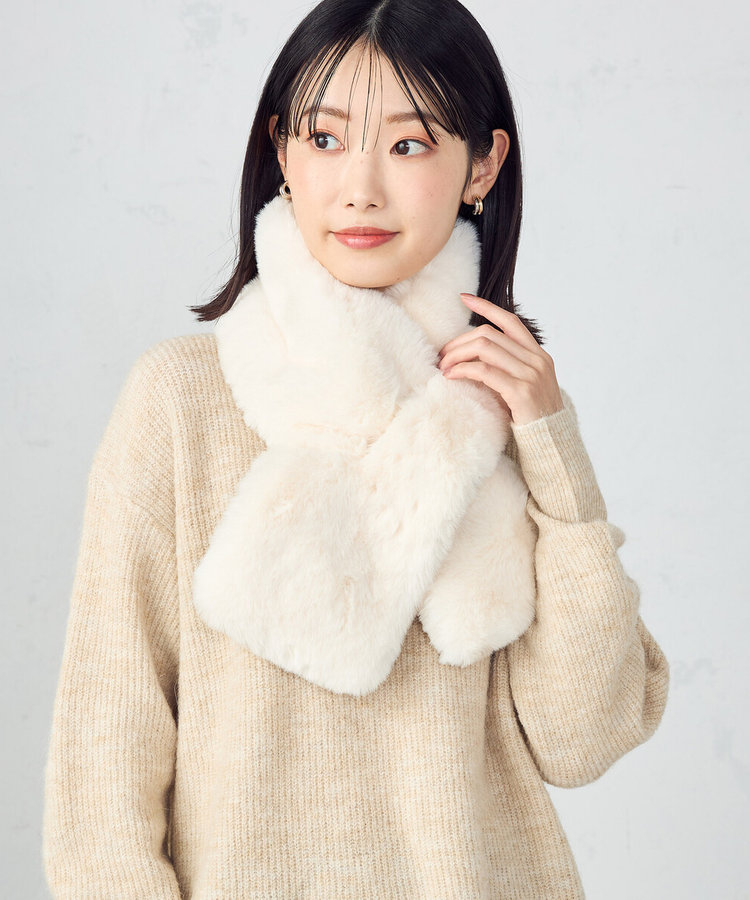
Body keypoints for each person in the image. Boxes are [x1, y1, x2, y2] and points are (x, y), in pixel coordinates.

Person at [41, 0, 670, 897]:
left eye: (409, 145)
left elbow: (583, 738)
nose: (361, 187)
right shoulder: (182, 401)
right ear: (282, 154)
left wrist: (552, 447)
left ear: (483, 164)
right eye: (326, 139)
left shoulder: (506, 415)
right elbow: (103, 766)